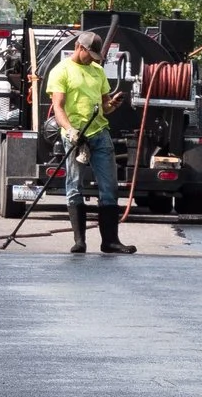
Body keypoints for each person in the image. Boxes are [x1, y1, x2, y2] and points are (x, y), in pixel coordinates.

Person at [44, 31, 135, 254]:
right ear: (79, 47)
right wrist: (70, 130)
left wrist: (113, 104)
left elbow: (104, 108)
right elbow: (58, 107)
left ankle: (110, 241)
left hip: (100, 133)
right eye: (90, 53)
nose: (92, 58)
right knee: (74, 186)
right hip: (76, 136)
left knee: (109, 188)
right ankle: (79, 241)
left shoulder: (98, 71)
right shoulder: (61, 71)